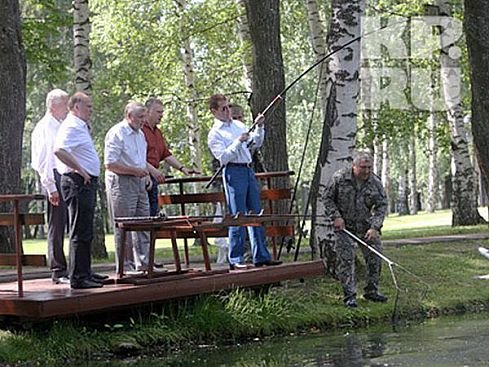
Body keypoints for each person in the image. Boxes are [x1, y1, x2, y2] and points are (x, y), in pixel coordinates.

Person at [207, 93, 281, 270]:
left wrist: (259, 128)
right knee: (237, 215)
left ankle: (261, 255)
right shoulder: (215, 134)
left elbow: (255, 143)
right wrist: (237, 142)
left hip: (248, 169)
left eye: (228, 107)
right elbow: (223, 157)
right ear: (214, 111)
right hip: (233, 171)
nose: (227, 111)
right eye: (223, 108)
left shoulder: (239, 125)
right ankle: (236, 258)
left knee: (256, 212)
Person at [105, 102, 166, 274]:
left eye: (144, 116)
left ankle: (144, 263)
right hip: (122, 181)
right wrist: (135, 171)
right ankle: (125, 266)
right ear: (129, 116)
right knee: (125, 224)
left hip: (140, 181)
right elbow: (110, 163)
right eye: (140, 117)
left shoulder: (140, 135)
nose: (143, 120)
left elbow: (140, 159)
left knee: (144, 222)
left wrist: (146, 174)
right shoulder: (117, 133)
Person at [322, 151, 388, 308]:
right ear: (354, 166)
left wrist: (375, 227)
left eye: (369, 167)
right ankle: (349, 296)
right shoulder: (340, 178)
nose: (366, 171)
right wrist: (336, 216)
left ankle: (371, 291)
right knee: (346, 260)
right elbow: (327, 198)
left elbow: (381, 206)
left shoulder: (375, 182)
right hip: (344, 227)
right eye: (363, 167)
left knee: (375, 257)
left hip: (366, 226)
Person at [54, 92, 105, 289]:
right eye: (88, 106)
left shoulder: (79, 126)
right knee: (79, 229)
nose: (91, 110)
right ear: (76, 106)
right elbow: (59, 150)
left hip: (84, 182)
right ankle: (78, 277)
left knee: (86, 229)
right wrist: (80, 169)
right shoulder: (72, 125)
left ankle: (86, 271)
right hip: (77, 182)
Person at [31, 89, 70, 284]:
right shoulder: (45, 127)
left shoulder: (60, 125)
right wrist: (51, 187)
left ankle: (68, 268)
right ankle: (58, 270)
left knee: (67, 222)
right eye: (64, 104)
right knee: (57, 223)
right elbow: (44, 160)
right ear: (53, 105)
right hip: (53, 177)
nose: (67, 108)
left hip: (64, 175)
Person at [142, 98, 195, 216]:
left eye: (162, 112)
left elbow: (165, 154)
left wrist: (182, 168)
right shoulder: (140, 131)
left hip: (154, 177)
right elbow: (137, 157)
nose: (161, 115)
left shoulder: (157, 132)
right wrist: (152, 171)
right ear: (147, 111)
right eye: (158, 112)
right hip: (143, 176)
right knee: (146, 213)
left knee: (154, 211)